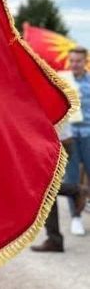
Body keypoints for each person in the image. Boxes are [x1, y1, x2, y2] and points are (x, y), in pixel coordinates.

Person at [32, 121, 88, 252]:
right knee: (47, 191)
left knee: (44, 189)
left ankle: (77, 190)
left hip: (55, 141)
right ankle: (54, 240)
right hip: (58, 140)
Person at [59, 46, 90, 236]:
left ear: (85, 61)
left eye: (78, 61)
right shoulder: (63, 80)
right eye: (72, 60)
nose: (75, 64)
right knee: (71, 178)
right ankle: (76, 217)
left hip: (88, 133)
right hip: (69, 135)